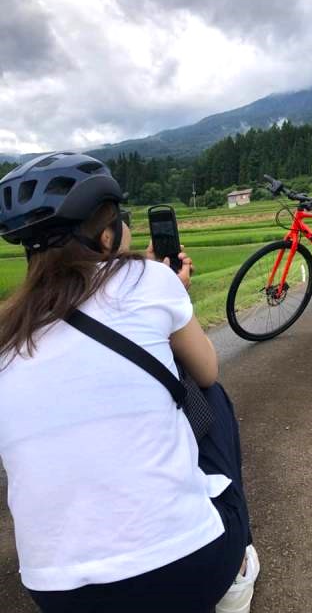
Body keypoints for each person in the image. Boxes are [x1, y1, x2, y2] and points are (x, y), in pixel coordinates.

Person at [0, 152, 259, 613]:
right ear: (106, 234)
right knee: (207, 393)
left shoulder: (7, 332)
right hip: (190, 571)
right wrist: (173, 288)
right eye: (123, 219)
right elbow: (207, 370)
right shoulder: (151, 279)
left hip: (56, 594)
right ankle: (236, 573)